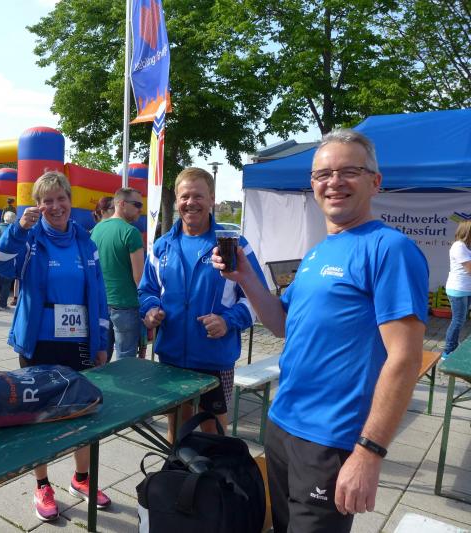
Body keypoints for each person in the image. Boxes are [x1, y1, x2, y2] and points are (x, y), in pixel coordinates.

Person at [213, 129, 428, 532]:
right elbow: (281, 324)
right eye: (323, 174)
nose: (334, 182)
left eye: (349, 171)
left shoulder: (389, 249)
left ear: (375, 182)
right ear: (312, 184)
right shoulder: (318, 252)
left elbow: (405, 358)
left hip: (332, 439)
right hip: (282, 424)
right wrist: (245, 277)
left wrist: (369, 452)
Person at [0, 170, 111, 522]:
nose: (55, 206)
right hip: (39, 341)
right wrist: (17, 230)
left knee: (84, 411)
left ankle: (81, 478)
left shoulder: (86, 240)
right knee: (38, 415)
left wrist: (101, 341)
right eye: (47, 201)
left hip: (80, 341)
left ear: (70, 201)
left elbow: (99, 295)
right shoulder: (29, 238)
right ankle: (42, 485)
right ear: (37, 205)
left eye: (61, 199)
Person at [138, 167, 265, 442]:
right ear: (176, 200)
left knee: (214, 433)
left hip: (215, 358)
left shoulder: (232, 245)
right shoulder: (162, 246)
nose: (190, 202)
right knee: (177, 429)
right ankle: (176, 468)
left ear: (212, 199)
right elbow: (147, 290)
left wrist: (227, 321)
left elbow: (257, 298)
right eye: (184, 196)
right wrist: (150, 310)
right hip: (172, 355)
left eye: (198, 196)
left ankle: (215, 471)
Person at [91, 187, 145, 360]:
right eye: (137, 205)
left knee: (100, 360)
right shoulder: (131, 232)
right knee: (125, 363)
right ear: (121, 203)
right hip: (126, 305)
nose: (140, 209)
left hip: (100, 304)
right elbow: (139, 278)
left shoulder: (96, 230)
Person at [441, 219, 471, 359]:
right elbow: (469, 269)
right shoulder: (459, 246)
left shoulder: (467, 247)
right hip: (458, 289)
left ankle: (453, 346)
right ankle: (448, 351)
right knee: (458, 320)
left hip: (466, 289)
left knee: (461, 319)